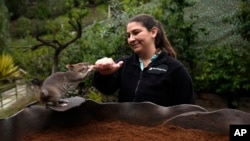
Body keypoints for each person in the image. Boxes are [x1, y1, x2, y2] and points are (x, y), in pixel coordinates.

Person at [93, 14, 195, 107]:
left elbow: (186, 110)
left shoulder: (174, 69)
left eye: (136, 33)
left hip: (159, 127)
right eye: (128, 35)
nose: (131, 39)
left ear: (153, 32)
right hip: (126, 125)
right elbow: (107, 89)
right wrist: (104, 74)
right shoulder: (124, 64)